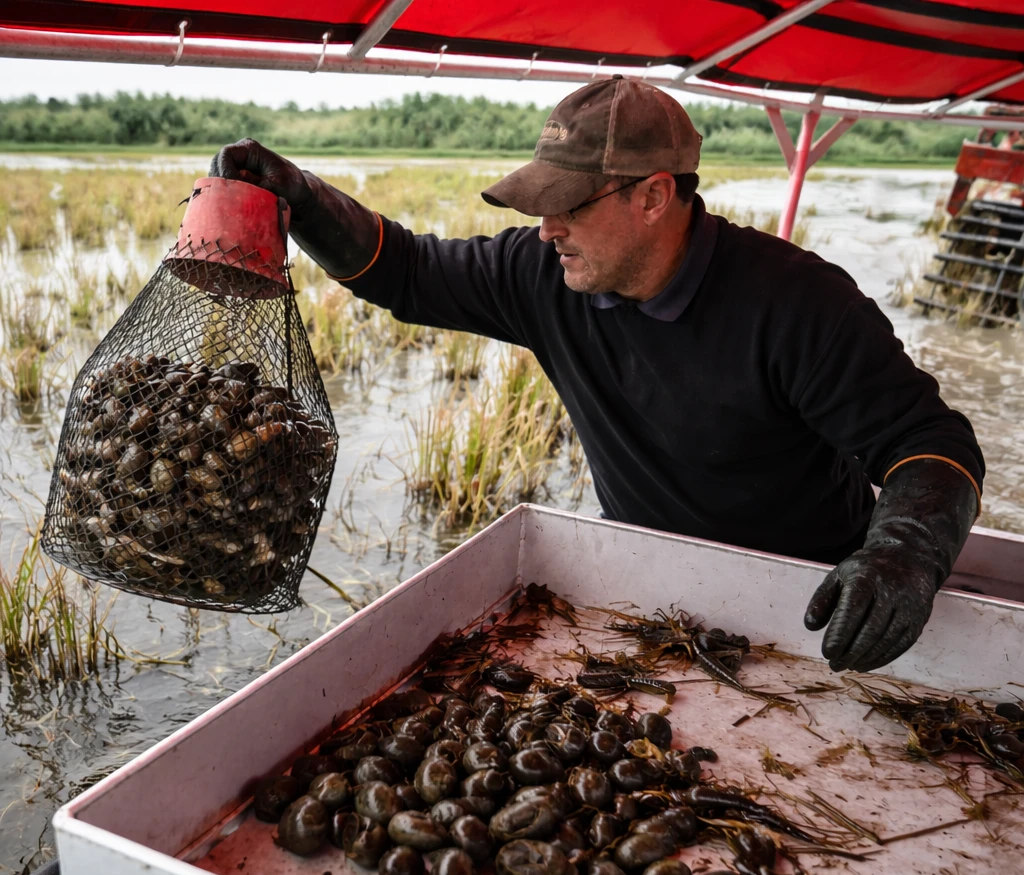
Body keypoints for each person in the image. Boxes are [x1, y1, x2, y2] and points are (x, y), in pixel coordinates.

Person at [210, 77, 983, 674]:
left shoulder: (797, 303)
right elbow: (407, 272)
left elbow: (929, 443)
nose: (546, 227)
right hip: (646, 593)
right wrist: (303, 200)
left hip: (815, 611)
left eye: (568, 205)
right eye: (540, 204)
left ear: (654, 195)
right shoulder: (543, 274)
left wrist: (904, 552)